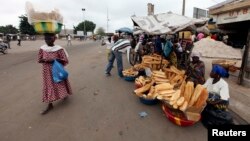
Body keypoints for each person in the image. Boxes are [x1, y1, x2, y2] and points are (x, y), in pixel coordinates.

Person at [38, 33, 72, 115]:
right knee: (49, 85)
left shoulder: (59, 49)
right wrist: (45, 60)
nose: (47, 41)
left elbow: (65, 60)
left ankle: (64, 94)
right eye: (46, 39)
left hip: (57, 70)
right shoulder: (42, 49)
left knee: (60, 82)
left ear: (54, 39)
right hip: (47, 71)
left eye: (49, 39)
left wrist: (54, 60)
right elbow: (39, 59)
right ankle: (50, 104)